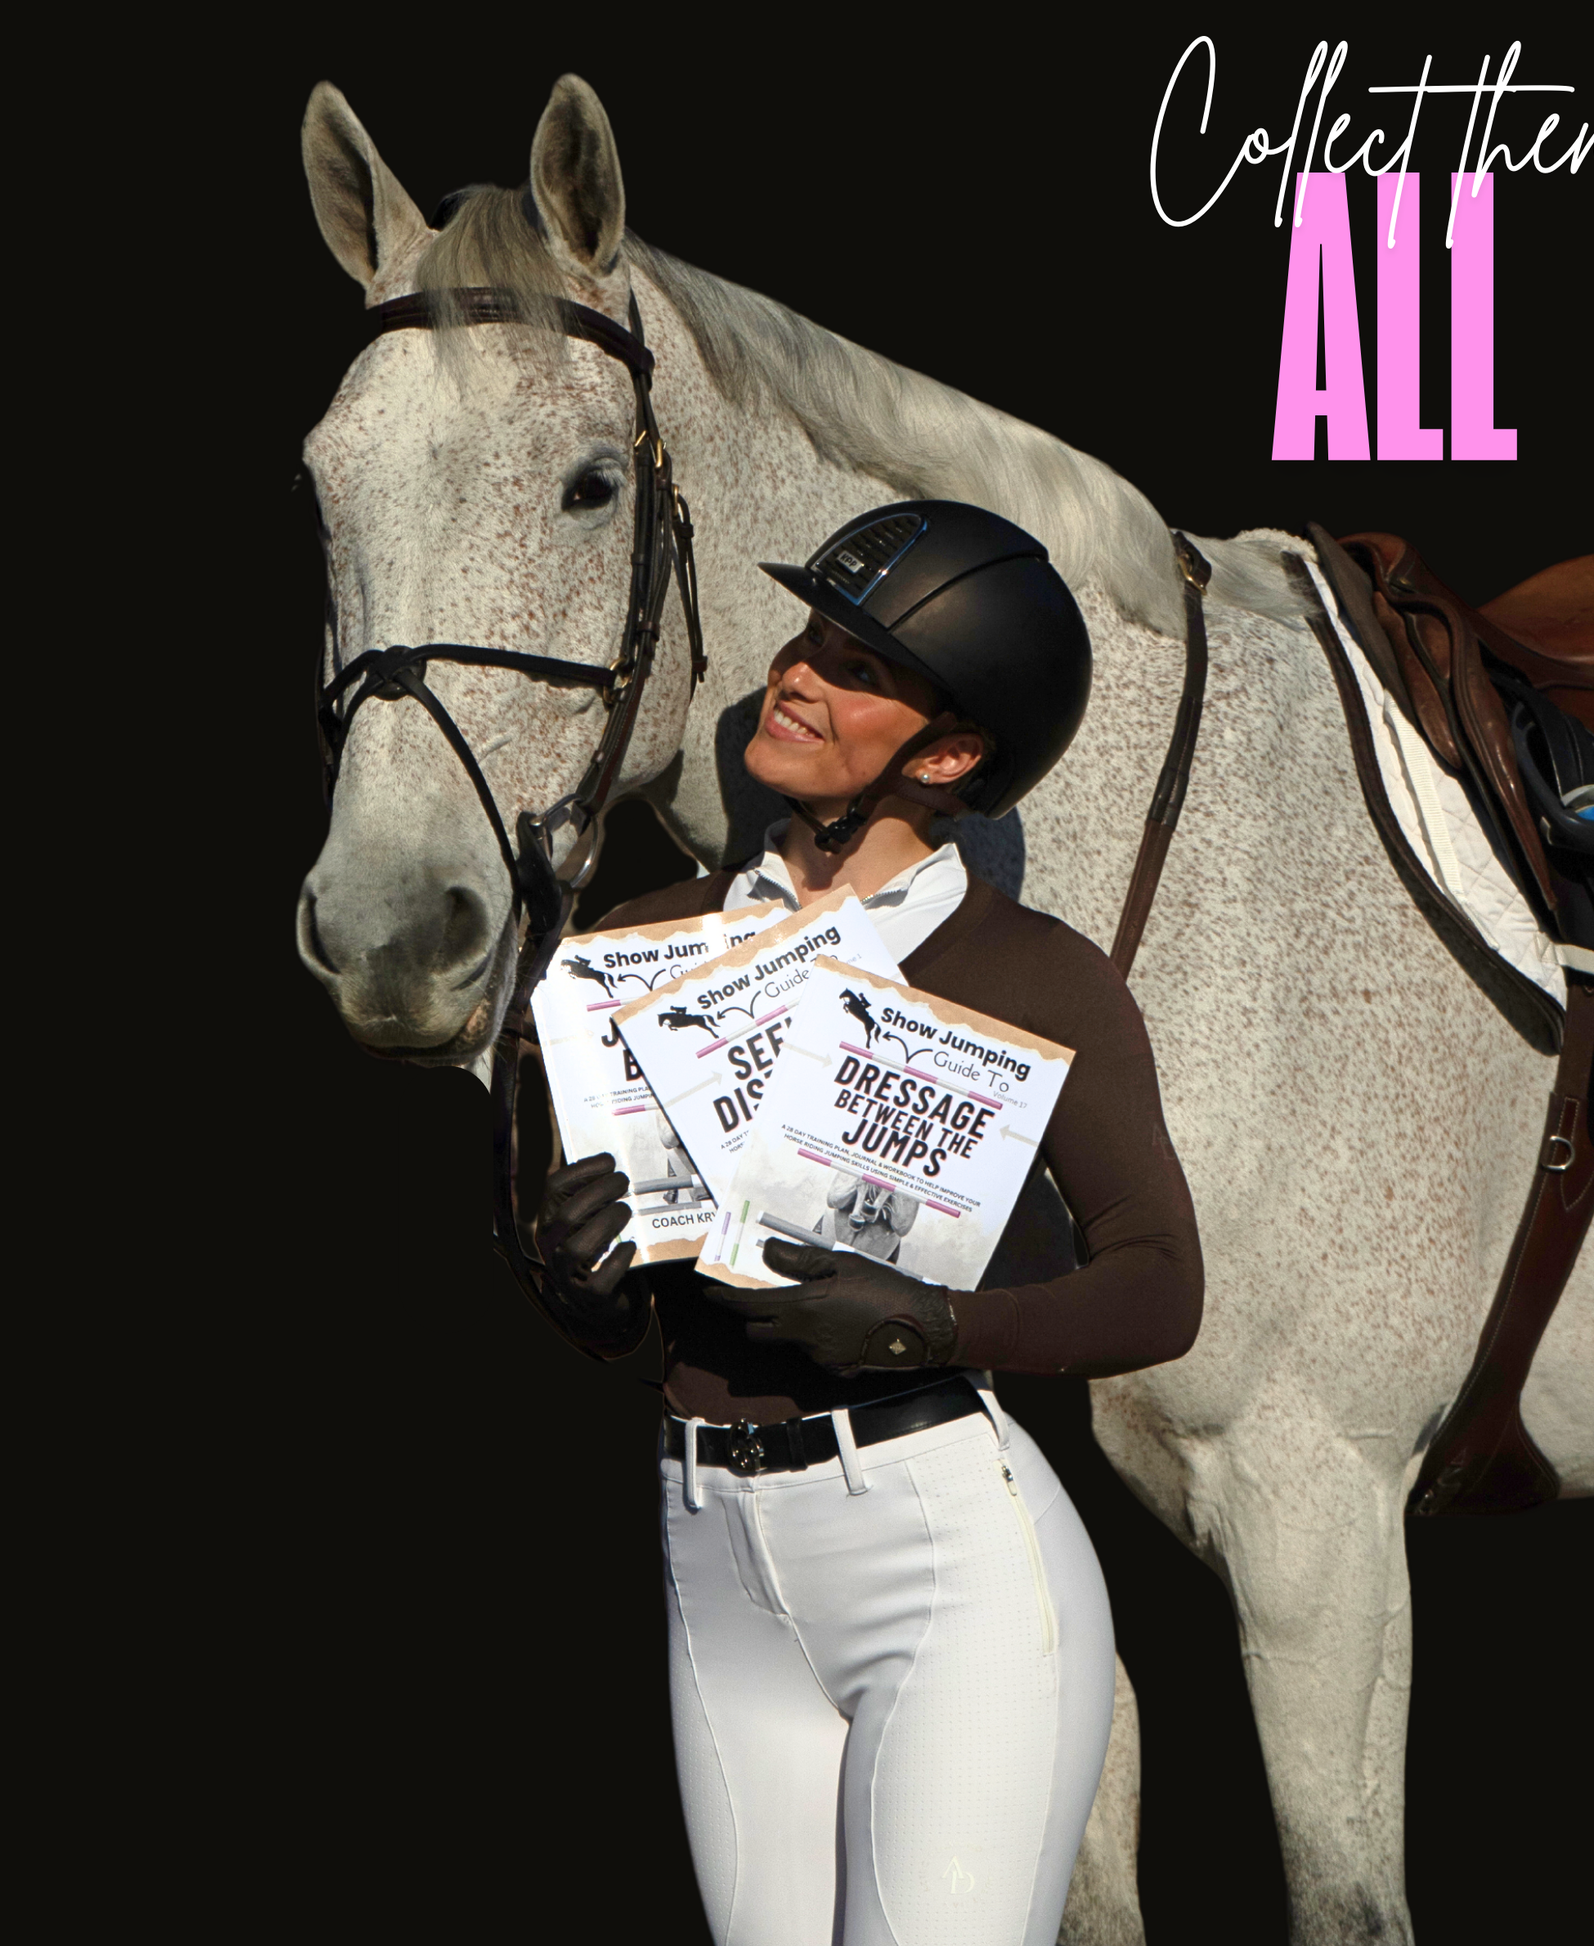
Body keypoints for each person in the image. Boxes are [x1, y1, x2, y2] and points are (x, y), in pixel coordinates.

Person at [528, 500, 1204, 1946]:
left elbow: (1159, 1287)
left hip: (938, 1552)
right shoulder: (639, 942)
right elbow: (650, 1309)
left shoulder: (1034, 976)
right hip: (706, 1547)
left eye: (856, 664)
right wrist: (584, 1297)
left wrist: (936, 1321)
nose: (796, 676)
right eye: (807, 639)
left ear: (950, 752)